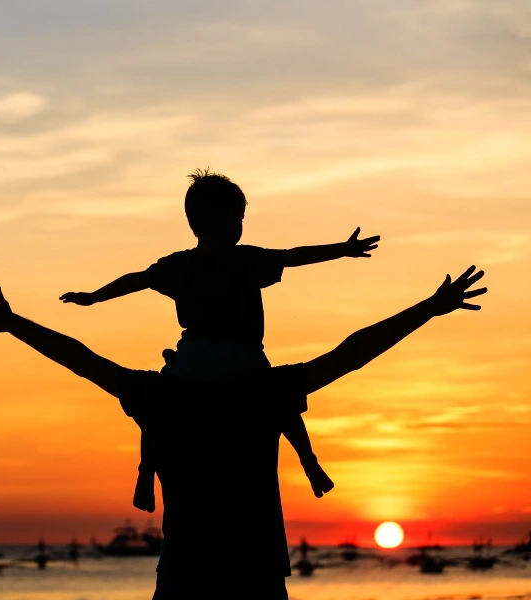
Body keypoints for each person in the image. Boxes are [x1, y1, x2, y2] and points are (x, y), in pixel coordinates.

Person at [0, 266, 485, 599]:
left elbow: (82, 360)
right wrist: (431, 309)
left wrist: (15, 324)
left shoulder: (160, 395)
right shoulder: (264, 392)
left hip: (185, 574)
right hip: (254, 575)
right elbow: (351, 354)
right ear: (249, 322)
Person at [59, 169, 380, 511]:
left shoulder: (179, 265)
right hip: (243, 358)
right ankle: (310, 463)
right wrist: (342, 250)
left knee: (156, 407)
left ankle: (146, 472)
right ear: (229, 219)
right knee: (281, 399)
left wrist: (93, 297)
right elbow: (294, 255)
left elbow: (135, 280)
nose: (241, 225)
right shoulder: (245, 259)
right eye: (239, 218)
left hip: (191, 359)